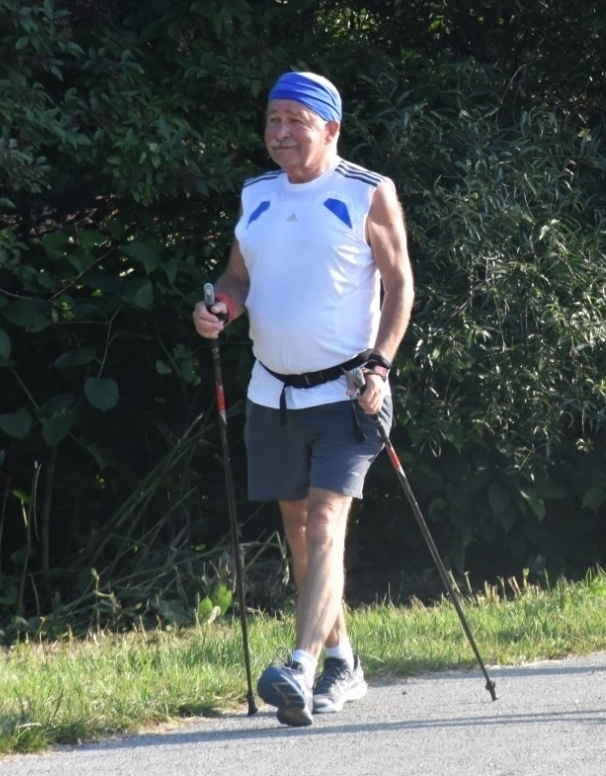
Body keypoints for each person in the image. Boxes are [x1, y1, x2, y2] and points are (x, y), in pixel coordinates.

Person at [192, 71, 414, 727]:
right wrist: (220, 307)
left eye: (296, 119)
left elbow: (400, 286)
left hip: (351, 391)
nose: (281, 132)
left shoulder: (368, 191)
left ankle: (301, 663)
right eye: (273, 119)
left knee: (323, 525)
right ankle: (343, 657)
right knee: (298, 531)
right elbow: (238, 273)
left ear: (331, 128)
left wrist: (381, 364)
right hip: (272, 393)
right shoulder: (256, 194)